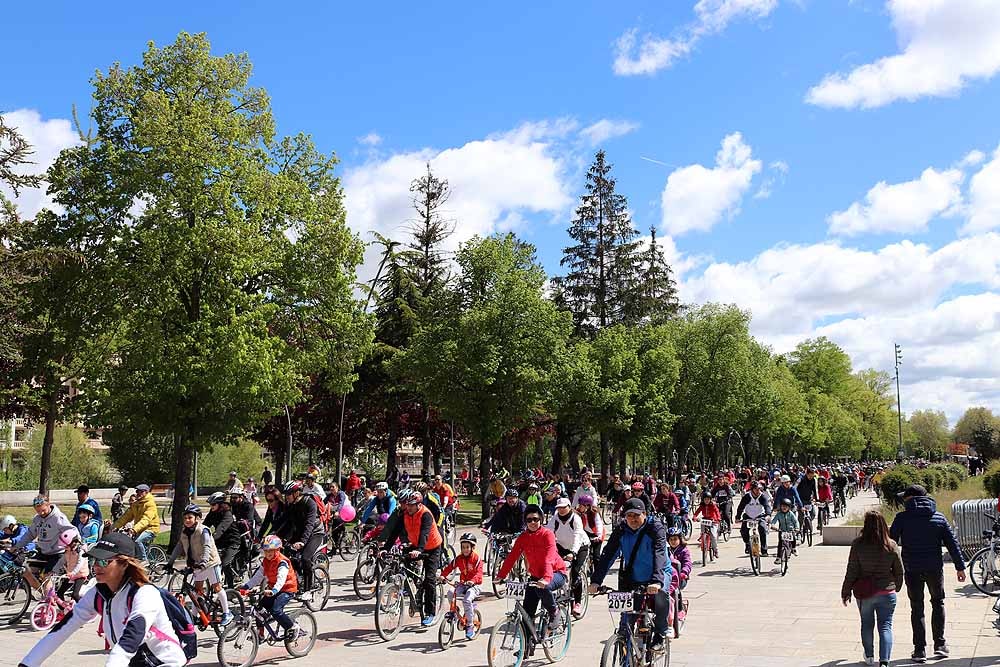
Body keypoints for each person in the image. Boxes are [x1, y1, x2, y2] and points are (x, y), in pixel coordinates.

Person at [18, 532, 187, 667]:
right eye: (94, 560)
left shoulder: (144, 594)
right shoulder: (98, 593)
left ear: (124, 564)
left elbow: (130, 640)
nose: (96, 566)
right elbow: (61, 631)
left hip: (165, 663)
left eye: (104, 561)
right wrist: (27, 663)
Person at [889, 484, 966, 662]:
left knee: (917, 607)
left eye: (904, 498)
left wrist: (888, 569)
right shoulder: (938, 517)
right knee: (938, 603)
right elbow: (952, 544)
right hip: (934, 568)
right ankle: (940, 645)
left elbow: (890, 544)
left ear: (910, 499)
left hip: (911, 568)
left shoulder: (901, 518)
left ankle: (919, 650)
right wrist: (960, 567)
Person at [589, 498, 672, 650]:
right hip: (634, 576)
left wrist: (657, 581)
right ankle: (623, 639)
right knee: (627, 618)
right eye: (629, 515)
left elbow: (660, 553)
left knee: (661, 596)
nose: (633, 519)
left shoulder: (655, 528)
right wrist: (596, 581)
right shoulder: (621, 530)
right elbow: (608, 555)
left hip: (659, 573)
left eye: (636, 515)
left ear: (645, 514)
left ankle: (660, 633)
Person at [497, 504, 567, 646]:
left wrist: (546, 579)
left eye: (535, 519)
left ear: (541, 519)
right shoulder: (523, 537)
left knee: (542, 588)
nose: (532, 523)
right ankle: (527, 647)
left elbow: (550, 557)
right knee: (527, 613)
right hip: (536, 577)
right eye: (529, 520)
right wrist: (501, 575)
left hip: (556, 573)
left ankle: (554, 611)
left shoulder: (548, 534)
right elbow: (512, 557)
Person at [842, 510, 904, 667]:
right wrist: (896, 586)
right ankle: (884, 661)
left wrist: (846, 590)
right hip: (887, 591)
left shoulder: (858, 544)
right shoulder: (891, 545)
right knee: (886, 626)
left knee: (867, 624)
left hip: (865, 593)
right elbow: (899, 570)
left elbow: (852, 570)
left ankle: (869, 657)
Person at [382, 491, 444, 626]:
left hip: (432, 547)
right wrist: (385, 548)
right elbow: (394, 533)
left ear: (418, 504)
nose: (408, 507)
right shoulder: (404, 514)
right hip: (416, 545)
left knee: (429, 580)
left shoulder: (425, 514)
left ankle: (430, 612)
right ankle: (411, 586)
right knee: (400, 560)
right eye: (406, 505)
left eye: (411, 505)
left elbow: (425, 533)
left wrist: (419, 550)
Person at [167, 504, 233, 626]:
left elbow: (207, 546)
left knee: (217, 588)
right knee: (196, 591)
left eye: (190, 517)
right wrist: (170, 563)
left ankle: (227, 612)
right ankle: (194, 616)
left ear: (197, 518)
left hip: (210, 563)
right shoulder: (184, 532)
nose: (187, 520)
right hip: (196, 565)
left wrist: (204, 560)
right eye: (185, 518)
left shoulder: (203, 530)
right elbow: (179, 547)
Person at [240, 535, 302, 640]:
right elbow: (258, 577)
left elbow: (281, 579)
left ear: (277, 550)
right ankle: (260, 635)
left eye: (271, 551)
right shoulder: (265, 561)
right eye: (266, 551)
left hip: (287, 589)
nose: (268, 553)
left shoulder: (282, 562)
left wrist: (274, 590)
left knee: (276, 610)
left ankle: (292, 627)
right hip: (273, 589)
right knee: (258, 609)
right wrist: (246, 586)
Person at [276, 480, 325, 602]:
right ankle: (299, 579)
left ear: (296, 493)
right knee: (287, 556)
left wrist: (302, 542)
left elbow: (309, 524)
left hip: (315, 533)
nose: (286, 497)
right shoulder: (290, 505)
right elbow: (285, 522)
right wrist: (274, 536)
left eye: (288, 494)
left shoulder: (310, 503)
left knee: (305, 558)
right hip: (300, 532)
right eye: (285, 494)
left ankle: (308, 590)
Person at [11, 496, 75, 588]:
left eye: (43, 510)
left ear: (48, 505)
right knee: (25, 571)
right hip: (43, 552)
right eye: (38, 511)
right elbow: (30, 534)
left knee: (46, 576)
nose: (41, 513)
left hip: (57, 553)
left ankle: (48, 601)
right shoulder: (37, 519)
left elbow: (72, 530)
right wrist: (16, 546)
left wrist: (76, 542)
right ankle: (43, 594)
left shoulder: (58, 517)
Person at [547, 497, 589, 616]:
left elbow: (577, 536)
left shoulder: (575, 518)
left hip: (580, 547)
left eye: (563, 507)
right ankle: (561, 594)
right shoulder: (555, 518)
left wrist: (573, 553)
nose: (561, 510)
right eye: (559, 508)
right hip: (562, 546)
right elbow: (549, 532)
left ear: (569, 507)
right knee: (556, 570)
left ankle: (578, 603)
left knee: (575, 572)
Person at [440, 532, 484, 640]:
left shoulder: (477, 559)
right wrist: (442, 575)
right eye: (463, 547)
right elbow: (450, 567)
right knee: (450, 592)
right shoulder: (459, 558)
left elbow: (479, 574)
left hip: (475, 586)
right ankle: (455, 610)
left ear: (472, 547)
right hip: (463, 584)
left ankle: (470, 625)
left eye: (467, 547)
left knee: (467, 599)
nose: (465, 550)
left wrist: (472, 581)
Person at [109, 483, 160, 562]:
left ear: (146, 492)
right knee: (130, 542)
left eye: (141, 491)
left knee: (137, 541)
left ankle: (144, 561)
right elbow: (125, 517)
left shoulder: (150, 504)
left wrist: (134, 529)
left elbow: (146, 519)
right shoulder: (136, 504)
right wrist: (114, 526)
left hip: (151, 528)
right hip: (140, 529)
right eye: (137, 491)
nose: (138, 493)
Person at [204, 492, 242, 588]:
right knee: (210, 560)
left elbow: (221, 529)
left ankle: (230, 587)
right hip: (220, 541)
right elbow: (204, 526)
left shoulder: (227, 514)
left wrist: (211, 538)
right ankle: (215, 582)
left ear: (220, 504)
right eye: (210, 504)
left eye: (213, 504)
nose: (211, 506)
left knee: (225, 563)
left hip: (232, 541)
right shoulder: (212, 513)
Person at [51, 527, 89, 601]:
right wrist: (54, 570)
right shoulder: (68, 551)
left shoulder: (80, 551)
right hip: (71, 575)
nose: (65, 548)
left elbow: (79, 564)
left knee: (75, 594)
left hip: (80, 575)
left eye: (66, 546)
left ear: (73, 543)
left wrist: (73, 573)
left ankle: (84, 609)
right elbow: (61, 561)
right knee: (59, 593)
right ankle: (64, 610)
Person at [736, 481, 771, 557]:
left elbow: (767, 506)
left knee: (762, 529)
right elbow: (740, 507)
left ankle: (764, 550)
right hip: (748, 516)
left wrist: (768, 515)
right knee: (743, 531)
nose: (758, 490)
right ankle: (748, 544)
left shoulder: (762, 496)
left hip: (759, 516)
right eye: (756, 489)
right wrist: (738, 517)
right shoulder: (747, 497)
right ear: (752, 489)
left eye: (759, 488)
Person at [576, 494, 605, 569]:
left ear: (587, 506)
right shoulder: (578, 513)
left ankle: (597, 572)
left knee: (596, 556)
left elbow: (599, 524)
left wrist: (599, 536)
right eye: (579, 505)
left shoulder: (594, 513)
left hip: (596, 534)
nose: (579, 507)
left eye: (581, 505)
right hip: (586, 534)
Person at [770, 498, 799, 564]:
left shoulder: (791, 514)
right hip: (781, 530)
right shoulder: (779, 514)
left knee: (793, 538)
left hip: (790, 530)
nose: (784, 508)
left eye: (786, 506)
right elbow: (774, 521)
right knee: (780, 543)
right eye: (782, 506)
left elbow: (796, 521)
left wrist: (797, 528)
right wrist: (773, 526)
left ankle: (794, 548)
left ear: (789, 507)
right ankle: (778, 557)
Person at [692, 492, 721, 558]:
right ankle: (703, 540)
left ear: (710, 499)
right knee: (703, 533)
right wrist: (694, 517)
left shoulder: (713, 505)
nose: (706, 501)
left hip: (713, 521)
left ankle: (715, 550)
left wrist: (718, 518)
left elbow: (717, 512)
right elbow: (697, 512)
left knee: (713, 535)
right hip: (705, 520)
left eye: (708, 499)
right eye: (705, 499)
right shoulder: (702, 505)